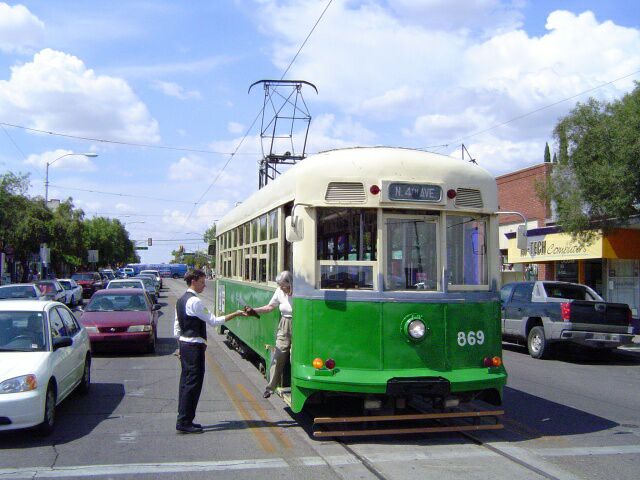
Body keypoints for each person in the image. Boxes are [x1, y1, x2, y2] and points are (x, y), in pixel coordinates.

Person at [174, 269, 247, 434]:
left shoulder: (181, 300)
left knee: (185, 383)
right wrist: (236, 314)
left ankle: (185, 418)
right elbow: (214, 321)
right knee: (193, 384)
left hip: (185, 345)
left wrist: (179, 345)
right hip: (194, 347)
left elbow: (177, 326)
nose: (204, 285)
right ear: (194, 281)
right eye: (202, 282)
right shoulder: (195, 302)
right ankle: (185, 421)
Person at [247, 271, 293, 399]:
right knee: (278, 356)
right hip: (284, 324)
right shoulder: (279, 291)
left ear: (290, 283)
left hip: (298, 324)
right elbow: (270, 307)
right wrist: (254, 310)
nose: (281, 288)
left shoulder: (299, 292)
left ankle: (295, 388)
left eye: (283, 286)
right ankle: (270, 387)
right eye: (280, 286)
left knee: (294, 358)